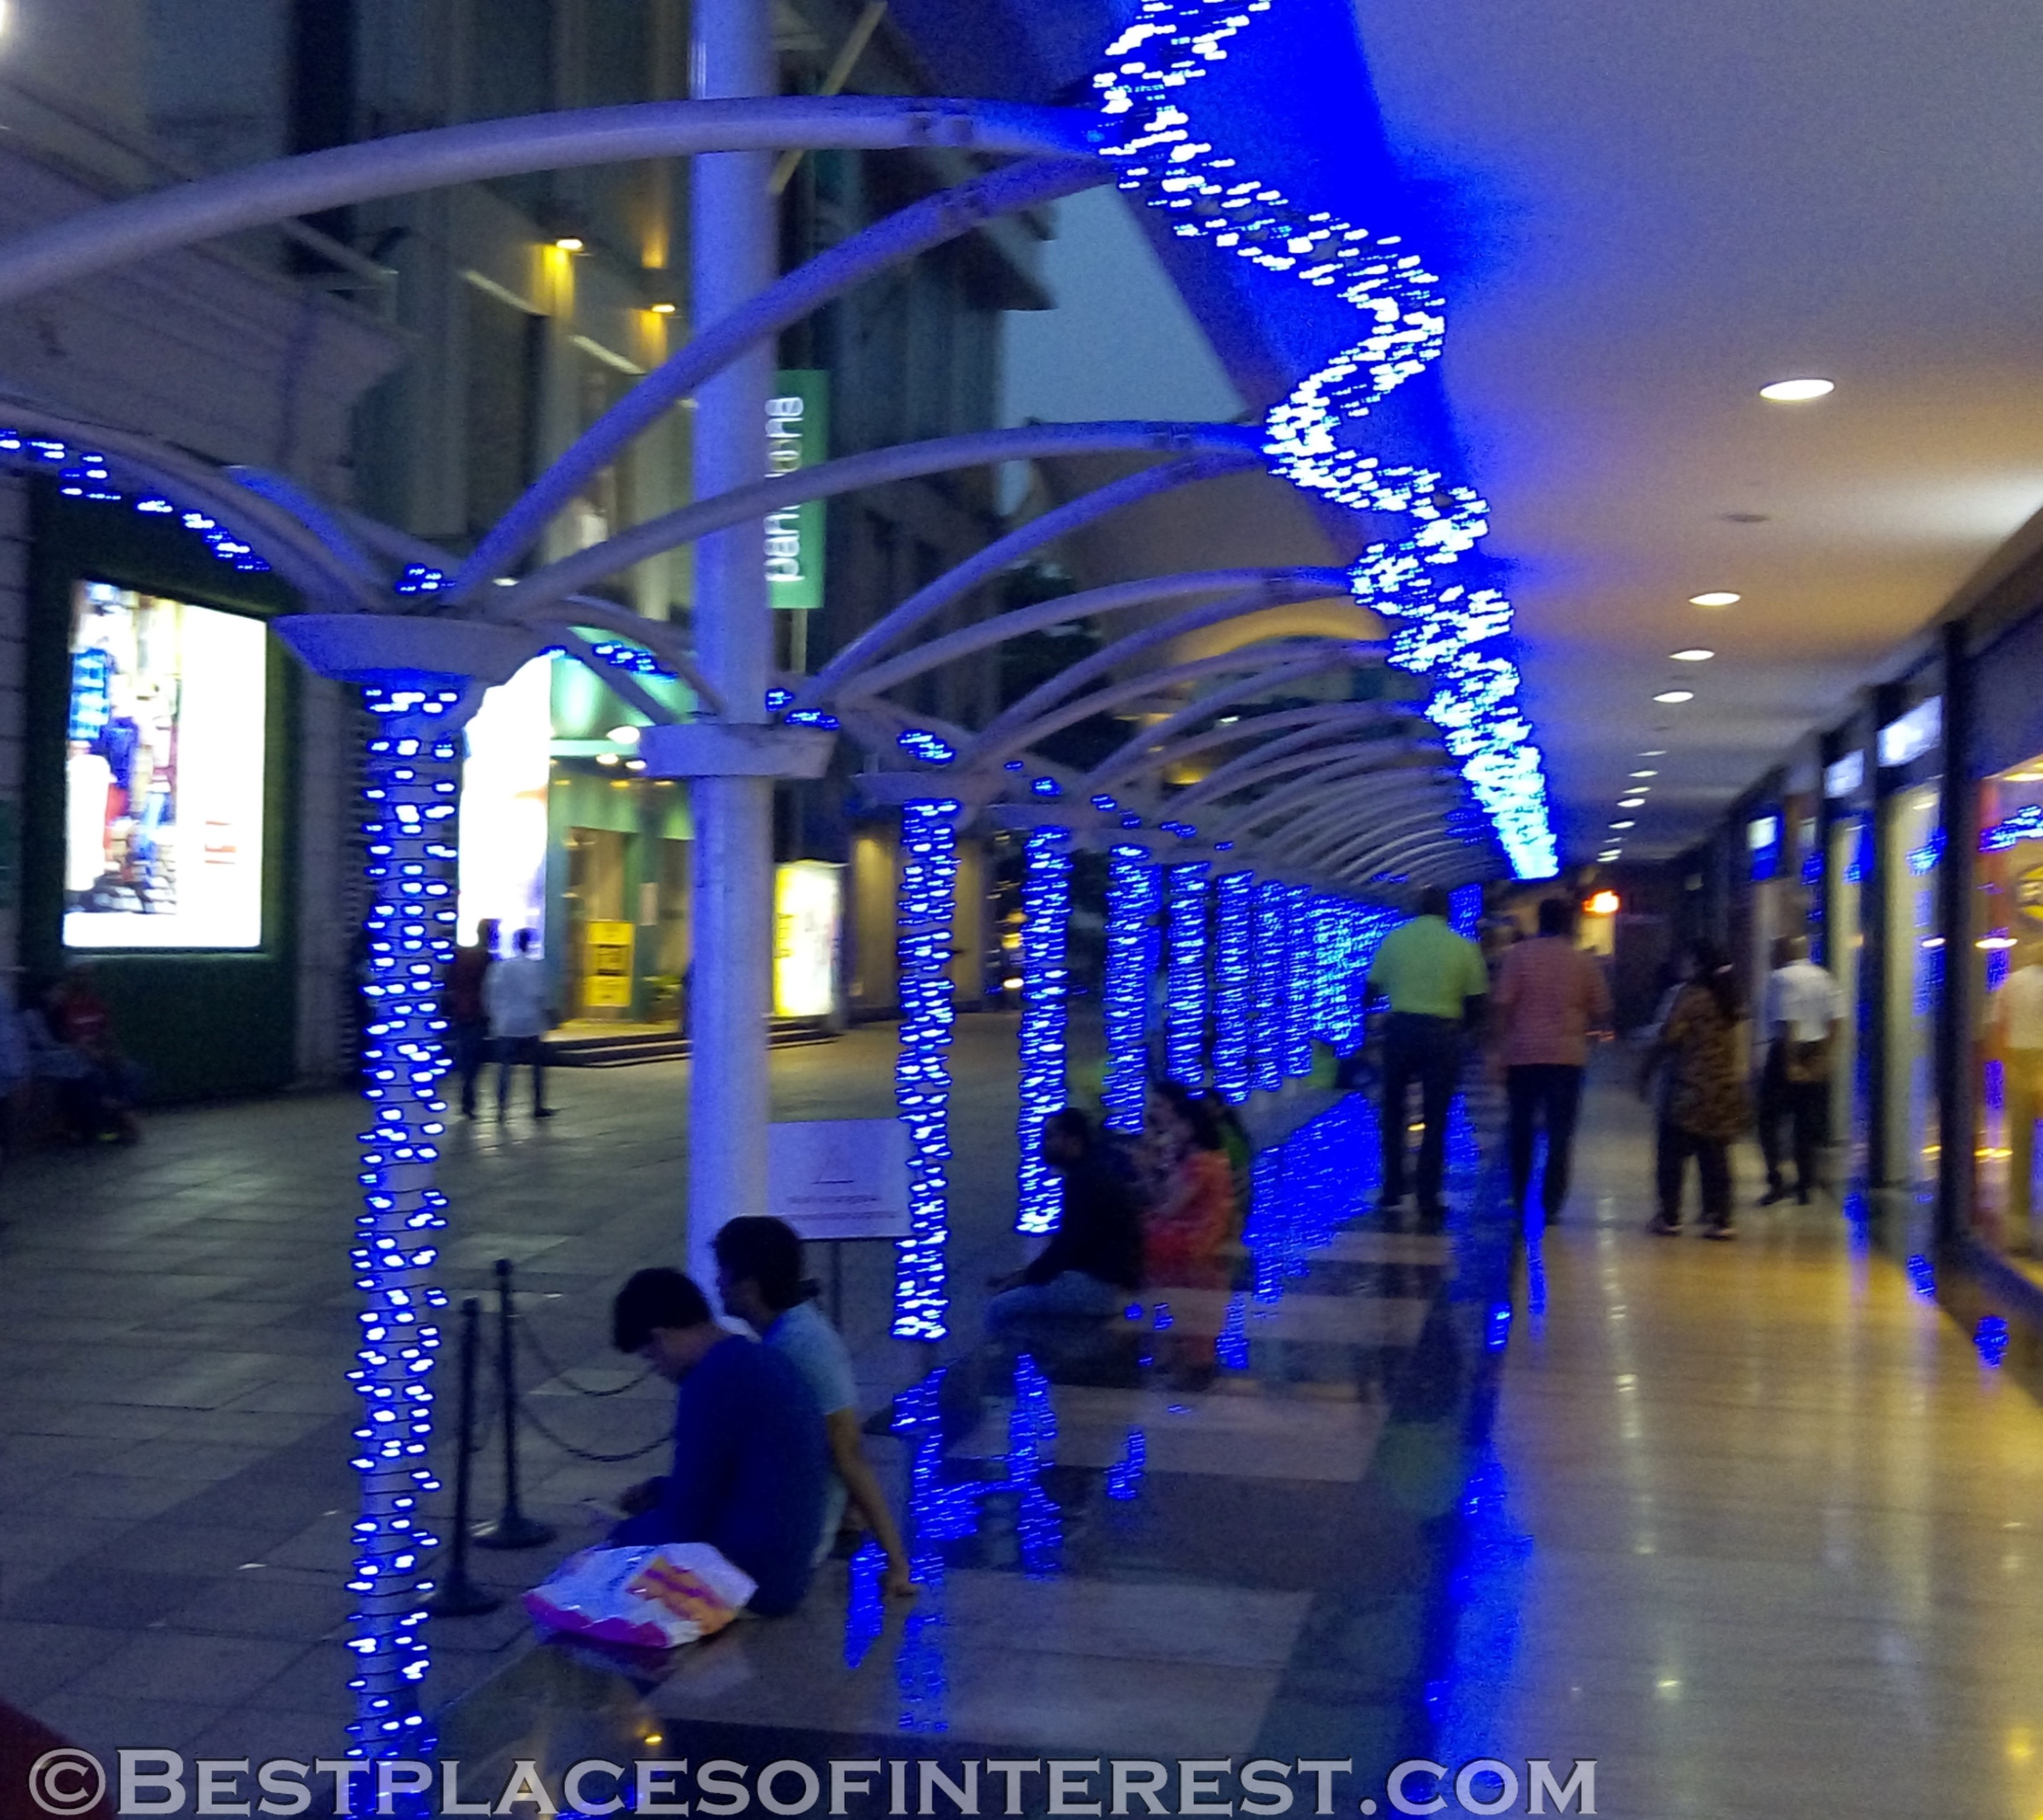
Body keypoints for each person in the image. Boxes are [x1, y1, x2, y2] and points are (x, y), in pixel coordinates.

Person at [712, 1216, 916, 1602]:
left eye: (722, 1273)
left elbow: (848, 1453)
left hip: (795, 1539)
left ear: (749, 1287)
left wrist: (898, 1563)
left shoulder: (800, 1346)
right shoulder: (791, 1334)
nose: (717, 1283)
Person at [609, 1267, 829, 1617]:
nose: (659, 1371)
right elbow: (742, 1480)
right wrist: (661, 1491)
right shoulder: (755, 1359)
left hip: (752, 1579)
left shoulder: (711, 1383)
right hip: (787, 1568)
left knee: (600, 1571)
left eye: (651, 1358)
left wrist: (619, 1533)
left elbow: (681, 1524)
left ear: (661, 1337)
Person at [1368, 884, 1489, 1220]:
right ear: (1446, 912)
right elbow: (1478, 1001)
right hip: (1443, 1035)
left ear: (1417, 908)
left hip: (1400, 1031)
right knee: (1436, 1119)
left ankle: (1392, 1188)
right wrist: (1465, 1032)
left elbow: (1370, 992)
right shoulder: (1463, 948)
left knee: (1393, 1114)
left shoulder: (1394, 941)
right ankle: (1428, 1195)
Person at [1494, 897, 1612, 1224]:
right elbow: (1601, 1008)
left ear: (1539, 922)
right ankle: (1552, 1204)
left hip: (1523, 1055)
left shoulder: (1518, 956)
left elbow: (1503, 1005)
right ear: (1567, 923)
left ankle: (1520, 1197)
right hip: (1567, 1058)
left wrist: (1498, 1050)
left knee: (1521, 1128)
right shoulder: (1583, 961)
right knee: (1561, 1132)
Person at [988, 1109, 1146, 1331]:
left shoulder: (1085, 1181)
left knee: (999, 1307)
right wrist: (1024, 1273)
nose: (1044, 1144)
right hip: (1114, 1281)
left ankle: (1000, 1364)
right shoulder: (1092, 1172)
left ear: (1072, 1140)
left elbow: (1069, 1247)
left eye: (1051, 1137)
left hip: (1104, 1288)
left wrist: (1026, 1277)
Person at [1646, 939, 1751, 1239]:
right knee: (1716, 1156)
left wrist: (1647, 1069)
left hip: (1689, 1089)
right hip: (1724, 1090)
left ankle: (1670, 1216)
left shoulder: (1692, 997)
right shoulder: (1733, 1000)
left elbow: (1671, 1036)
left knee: (1671, 1154)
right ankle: (1722, 1218)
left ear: (1698, 965)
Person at [1757, 935, 1844, 1206]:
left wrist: (1791, 1062)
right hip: (1816, 1049)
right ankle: (1806, 1183)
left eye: (1773, 951)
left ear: (1784, 952)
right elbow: (1837, 1020)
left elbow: (1789, 1022)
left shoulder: (1781, 978)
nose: (1770, 957)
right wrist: (1825, 1058)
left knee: (1768, 1120)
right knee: (1806, 1123)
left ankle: (1776, 1178)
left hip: (1788, 1051)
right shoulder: (1823, 976)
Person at [1140, 1082, 1236, 1288]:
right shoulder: (1211, 1157)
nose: (1172, 1131)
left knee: (1129, 1234)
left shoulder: (1200, 1164)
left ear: (1191, 1128)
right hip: (1205, 1228)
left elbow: (1170, 1209)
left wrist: (1147, 1172)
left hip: (1195, 1236)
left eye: (1176, 1125)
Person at [1997, 949, 2043, 1248]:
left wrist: (2009, 1063)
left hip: (2017, 1059)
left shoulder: (2011, 982)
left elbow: (1999, 1027)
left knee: (2021, 1145)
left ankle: (2017, 1225)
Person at [484, 927, 555, 1118]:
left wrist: (494, 1016)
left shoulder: (501, 967)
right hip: (531, 1022)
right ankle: (538, 1105)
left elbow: (491, 994)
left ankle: (501, 1108)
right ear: (530, 944)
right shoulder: (537, 968)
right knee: (536, 1068)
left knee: (505, 1067)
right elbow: (541, 995)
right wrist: (548, 1017)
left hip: (507, 1023)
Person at [446, 917, 499, 1119]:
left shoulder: (460, 956)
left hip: (461, 1012)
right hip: (479, 1012)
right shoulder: (488, 960)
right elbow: (491, 989)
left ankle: (467, 1095)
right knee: (475, 1057)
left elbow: (449, 983)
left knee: (466, 1052)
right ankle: (468, 1095)